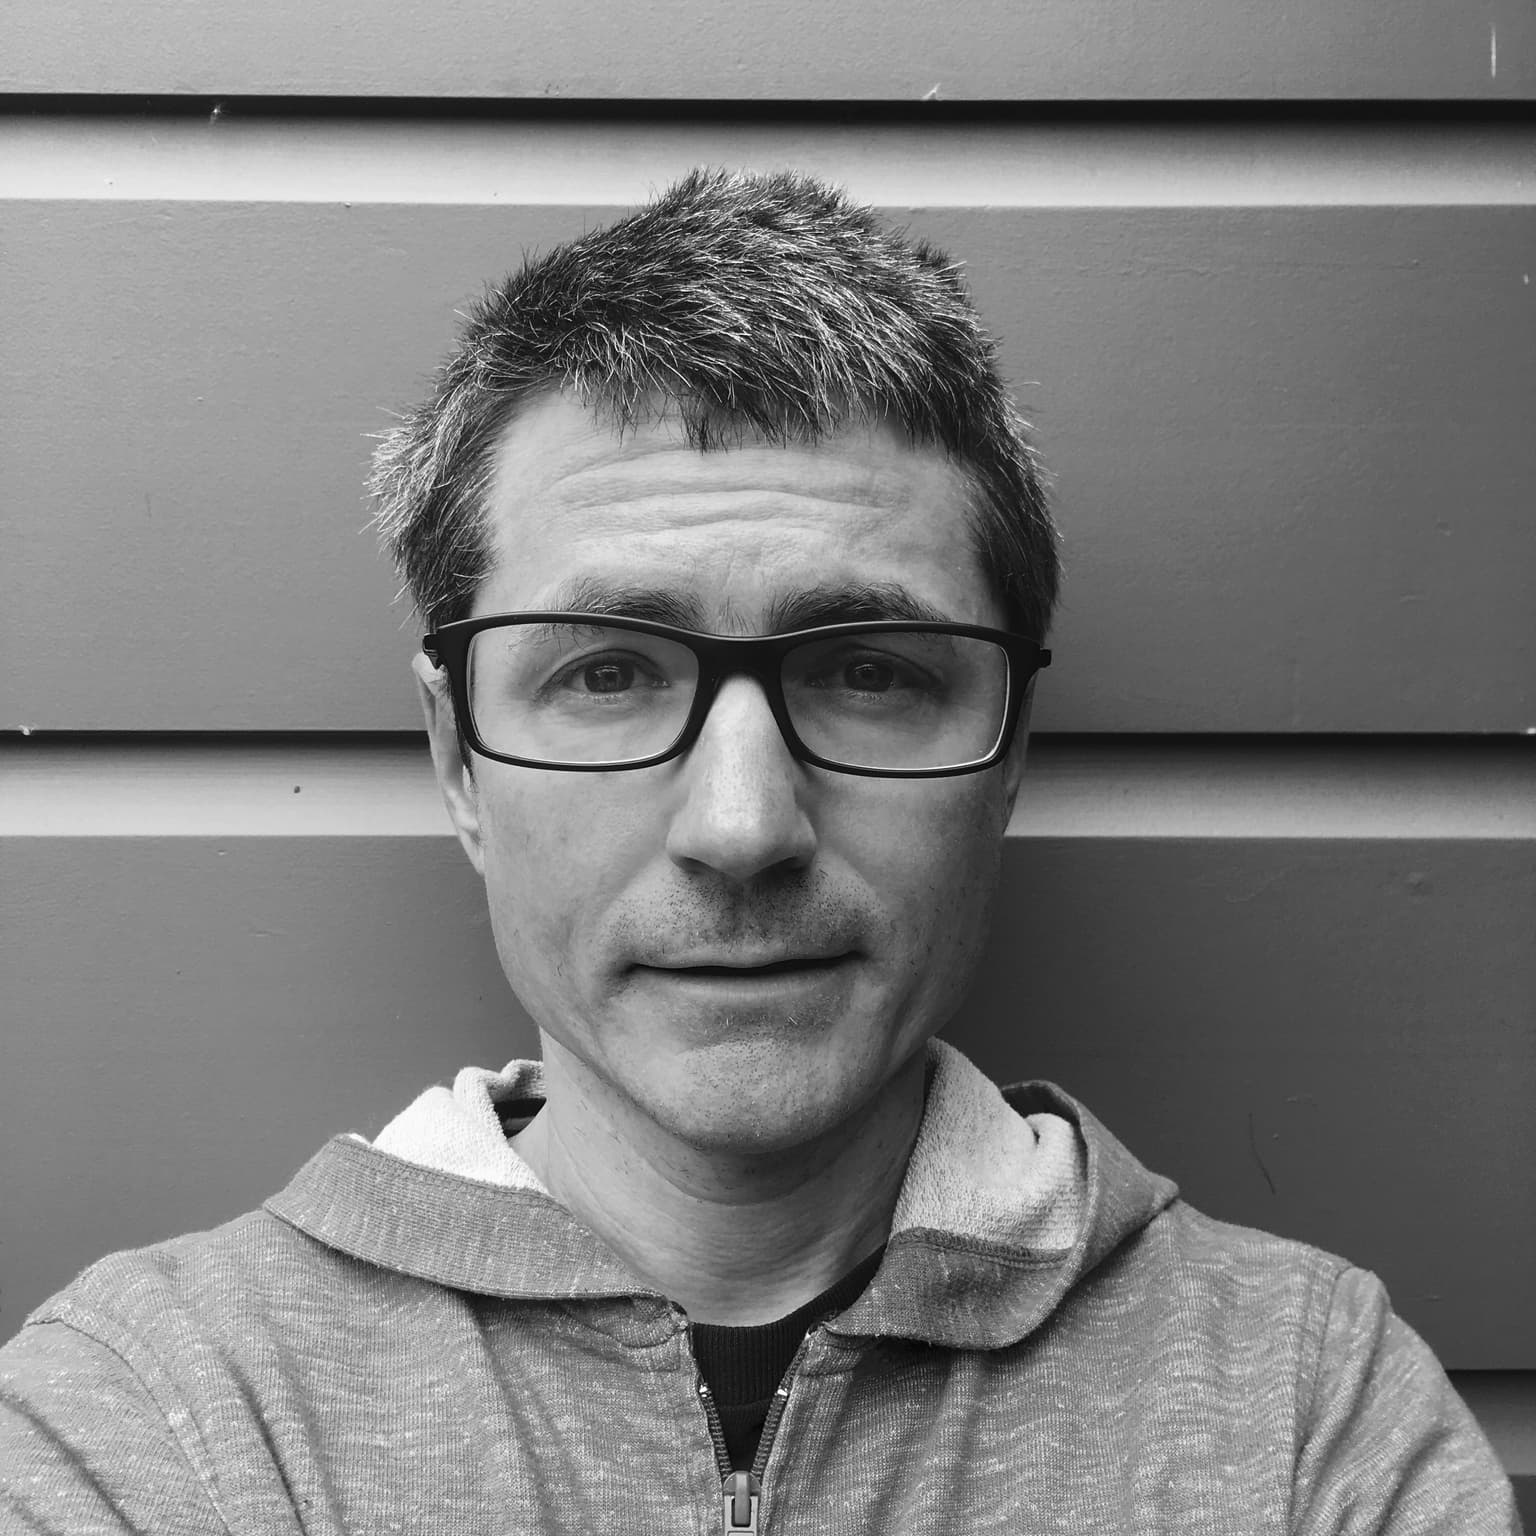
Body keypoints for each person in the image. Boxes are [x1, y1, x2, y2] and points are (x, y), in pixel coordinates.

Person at [0, 168, 1518, 1535]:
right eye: (607, 672)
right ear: (459, 757)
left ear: (1007, 753)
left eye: (868, 672)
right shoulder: (163, 1421)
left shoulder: (1304, 1419)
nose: (741, 829)